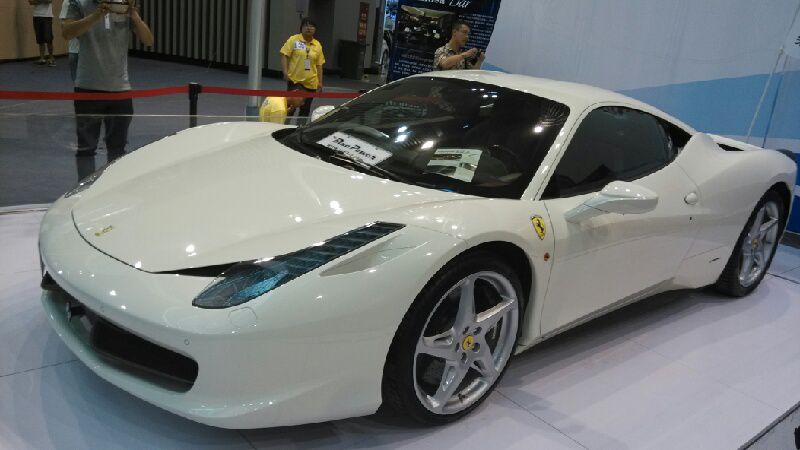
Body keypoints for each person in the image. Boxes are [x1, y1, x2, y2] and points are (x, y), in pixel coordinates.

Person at [61, 0, 153, 170]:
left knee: (118, 150)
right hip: (88, 88)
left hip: (120, 90)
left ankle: (114, 186)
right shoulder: (77, 2)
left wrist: (134, 16)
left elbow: (148, 40)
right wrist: (96, 15)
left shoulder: (123, 4)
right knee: (86, 150)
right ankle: (85, 187)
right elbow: (67, 32)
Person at [280, 18, 326, 123]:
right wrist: (285, 72)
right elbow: (284, 54)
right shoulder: (294, 40)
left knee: (305, 110)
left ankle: (299, 129)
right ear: (301, 28)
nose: (308, 28)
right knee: (291, 108)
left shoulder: (317, 45)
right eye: (306, 25)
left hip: (311, 83)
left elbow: (319, 65)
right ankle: (284, 128)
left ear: (315, 29)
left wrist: (320, 82)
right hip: (295, 81)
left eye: (311, 26)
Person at [29, 0, 55, 67]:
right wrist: (42, 1)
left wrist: (37, 1)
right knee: (40, 38)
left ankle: (51, 58)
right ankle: (42, 58)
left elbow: (49, 1)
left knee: (48, 38)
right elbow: (31, 2)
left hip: (47, 16)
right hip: (36, 16)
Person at [59, 4, 80, 82]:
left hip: (91, 50)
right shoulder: (68, 2)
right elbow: (64, 25)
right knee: (76, 82)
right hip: (74, 50)